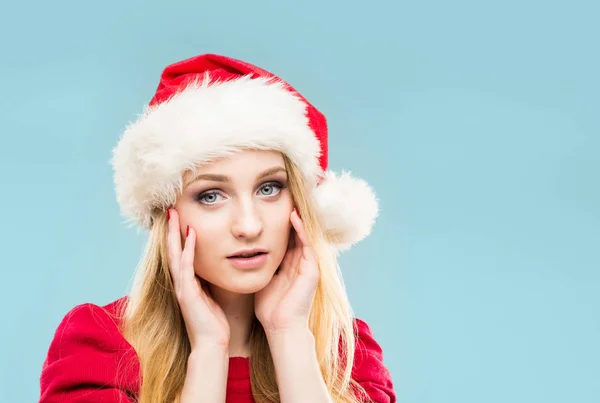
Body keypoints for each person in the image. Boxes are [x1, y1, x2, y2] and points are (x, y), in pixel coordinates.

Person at [39, 53, 396, 403]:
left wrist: (288, 336)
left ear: (300, 203)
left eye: (269, 188)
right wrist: (208, 350)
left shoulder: (348, 352)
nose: (248, 225)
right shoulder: (99, 347)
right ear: (168, 213)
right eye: (211, 195)